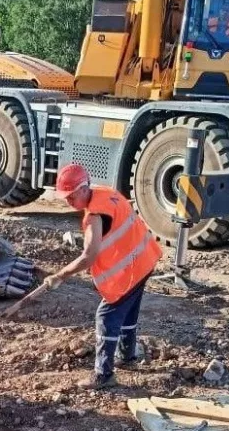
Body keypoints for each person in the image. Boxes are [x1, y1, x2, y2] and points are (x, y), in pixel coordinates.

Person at [43, 163, 162, 389]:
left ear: (83, 188)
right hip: (144, 260)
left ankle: (103, 374)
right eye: (65, 198)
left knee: (106, 316)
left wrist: (59, 275)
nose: (68, 202)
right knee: (128, 311)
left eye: (71, 197)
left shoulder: (95, 216)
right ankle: (127, 355)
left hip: (130, 270)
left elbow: (88, 257)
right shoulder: (106, 193)